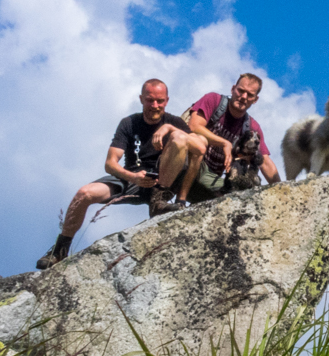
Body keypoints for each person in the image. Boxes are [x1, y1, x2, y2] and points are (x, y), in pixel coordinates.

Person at [35, 78, 206, 270]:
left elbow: (199, 148)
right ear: (141, 99)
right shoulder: (129, 123)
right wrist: (132, 177)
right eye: (150, 100)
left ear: (167, 100)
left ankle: (158, 202)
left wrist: (169, 128)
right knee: (84, 193)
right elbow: (110, 164)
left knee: (179, 137)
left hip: (163, 181)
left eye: (160, 101)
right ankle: (60, 250)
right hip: (132, 178)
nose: (155, 105)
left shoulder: (174, 122)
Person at [179, 73, 280, 203]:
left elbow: (265, 162)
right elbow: (194, 126)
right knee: (200, 141)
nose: (243, 97)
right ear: (233, 89)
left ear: (255, 99)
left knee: (244, 193)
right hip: (187, 163)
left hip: (210, 177)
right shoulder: (213, 100)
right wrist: (224, 143)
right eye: (240, 91)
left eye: (249, 95)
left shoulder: (251, 128)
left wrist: (282, 191)